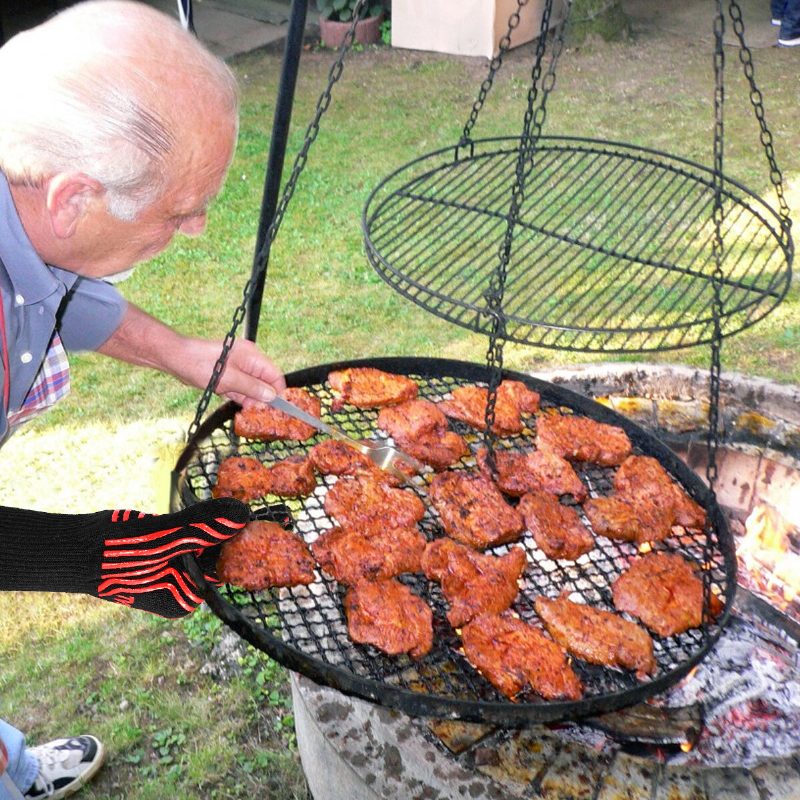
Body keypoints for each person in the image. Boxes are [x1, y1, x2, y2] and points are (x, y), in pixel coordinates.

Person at [0, 2, 287, 797]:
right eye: (178, 211)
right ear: (71, 197)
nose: (195, 230)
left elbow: (56, 284)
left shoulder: (22, 200)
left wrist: (182, 354)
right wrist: (96, 556)